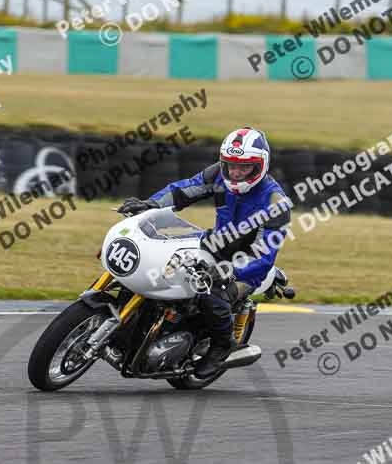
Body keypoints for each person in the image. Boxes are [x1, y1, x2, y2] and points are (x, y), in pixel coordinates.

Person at [117, 127, 292, 378]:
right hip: (215, 244)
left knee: (211, 292)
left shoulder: (275, 203)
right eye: (230, 165)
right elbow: (185, 189)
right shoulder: (219, 175)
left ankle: (223, 346)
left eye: (245, 167)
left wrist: (230, 271)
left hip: (246, 267)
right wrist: (151, 205)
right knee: (162, 265)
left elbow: (264, 257)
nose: (235, 172)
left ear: (261, 166)